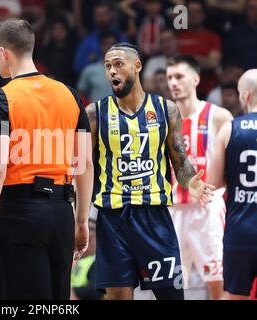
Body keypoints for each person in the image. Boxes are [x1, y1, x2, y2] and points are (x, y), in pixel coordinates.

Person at [0, 18, 93, 300]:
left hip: (20, 213)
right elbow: (85, 163)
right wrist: (81, 221)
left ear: (4, 52)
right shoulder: (71, 95)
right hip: (62, 211)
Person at [85, 43, 214, 300]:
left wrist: (192, 183)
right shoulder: (95, 113)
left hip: (154, 217)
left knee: (170, 296)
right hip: (113, 218)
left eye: (119, 64)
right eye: (108, 66)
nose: (112, 71)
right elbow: (84, 168)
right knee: (118, 296)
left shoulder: (166, 110)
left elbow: (180, 163)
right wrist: (78, 217)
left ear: (137, 65)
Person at [166, 55, 233, 300]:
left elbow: (233, 167)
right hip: (172, 211)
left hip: (208, 211)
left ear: (195, 79)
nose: (173, 82)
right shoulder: (162, 119)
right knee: (169, 287)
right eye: (169, 77)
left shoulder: (219, 116)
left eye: (179, 76)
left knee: (219, 285)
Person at [208, 69, 257, 299]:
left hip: (240, 230)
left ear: (245, 96)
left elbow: (214, 183)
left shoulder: (230, 128)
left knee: (236, 296)